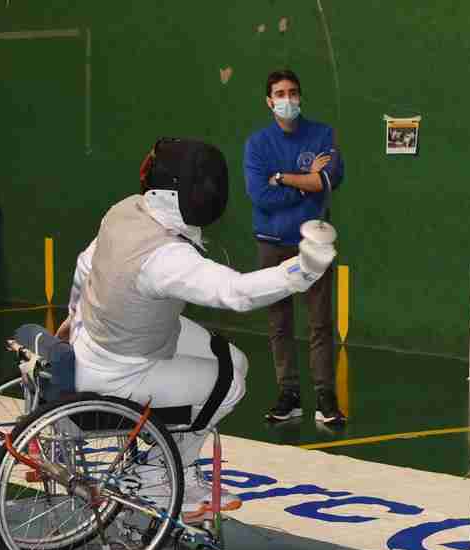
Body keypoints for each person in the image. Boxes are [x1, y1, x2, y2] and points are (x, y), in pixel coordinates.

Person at [60, 137, 336, 522]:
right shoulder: (165, 256)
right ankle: (156, 474)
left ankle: (176, 464)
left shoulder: (125, 210)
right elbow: (235, 293)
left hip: (99, 336)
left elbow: (85, 265)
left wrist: (74, 319)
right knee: (230, 386)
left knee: (234, 362)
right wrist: (302, 270)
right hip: (121, 370)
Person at [244, 69, 346, 425]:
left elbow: (330, 179)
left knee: (320, 322)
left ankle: (325, 396)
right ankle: (288, 393)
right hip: (271, 244)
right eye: (280, 93)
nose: (287, 99)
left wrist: (282, 177)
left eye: (293, 92)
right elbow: (261, 196)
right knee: (279, 324)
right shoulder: (257, 144)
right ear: (269, 101)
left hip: (313, 245)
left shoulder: (322, 134)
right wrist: (305, 184)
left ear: (300, 97)